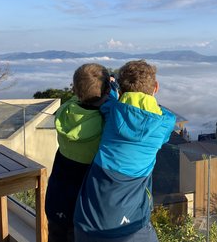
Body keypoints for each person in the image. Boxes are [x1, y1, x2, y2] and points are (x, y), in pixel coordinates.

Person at [74, 60, 176, 242]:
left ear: (121, 91)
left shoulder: (112, 110)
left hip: (88, 220)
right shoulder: (165, 122)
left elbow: (109, 101)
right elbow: (165, 119)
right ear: (156, 87)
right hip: (130, 226)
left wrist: (113, 87)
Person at [45, 63, 111, 242]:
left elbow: (80, 96)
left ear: (74, 89)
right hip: (83, 206)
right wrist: (111, 92)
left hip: (56, 197)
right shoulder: (105, 124)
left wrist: (105, 88)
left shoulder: (65, 112)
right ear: (106, 90)